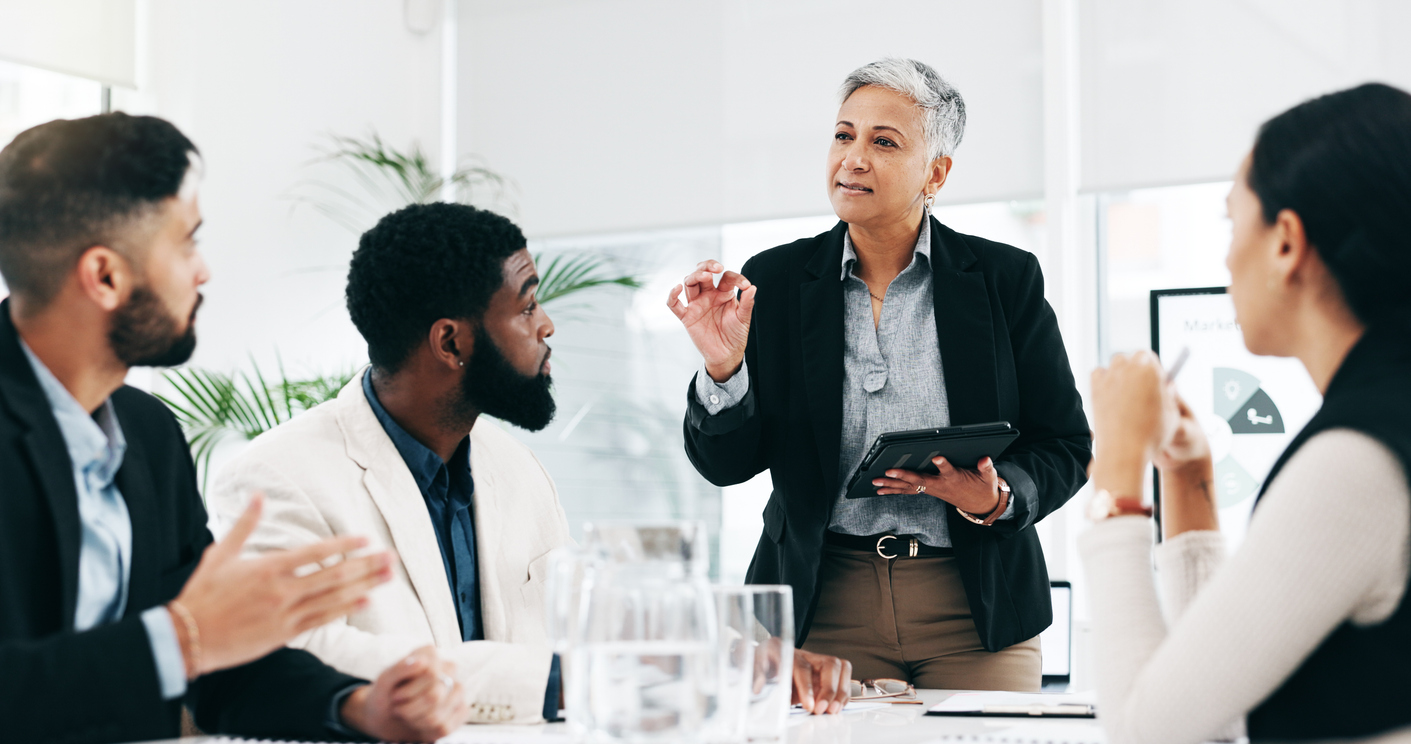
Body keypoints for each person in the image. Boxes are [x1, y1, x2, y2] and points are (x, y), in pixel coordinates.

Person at [0, 113, 470, 743]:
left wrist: (360, 707)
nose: (203, 272)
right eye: (186, 242)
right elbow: (183, 645)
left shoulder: (146, 433)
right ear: (105, 276)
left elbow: (216, 667)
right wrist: (179, 639)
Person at [669, 57, 1090, 696]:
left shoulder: (1005, 279)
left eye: (883, 141)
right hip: (820, 600)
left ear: (936, 173)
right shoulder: (776, 282)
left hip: (974, 605)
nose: (853, 158)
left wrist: (996, 496)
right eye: (844, 135)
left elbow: (1065, 443)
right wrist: (723, 367)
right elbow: (727, 465)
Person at [1082, 82, 1411, 743]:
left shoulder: (1353, 464)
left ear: (1285, 242)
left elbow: (1145, 732)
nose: (1226, 257)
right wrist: (1185, 475)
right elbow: (1224, 685)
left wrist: (1115, 475)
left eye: (1233, 224)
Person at [209, 203, 571, 724]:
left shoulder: (519, 469)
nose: (546, 325)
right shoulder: (276, 478)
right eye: (527, 306)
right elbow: (300, 655)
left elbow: (579, 630)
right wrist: (551, 683)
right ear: (450, 342)